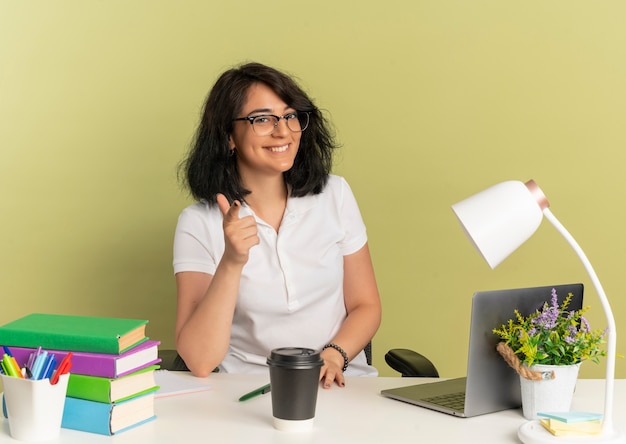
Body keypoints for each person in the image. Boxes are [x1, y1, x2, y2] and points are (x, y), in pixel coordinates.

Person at [173, 62, 381, 389]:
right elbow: (199, 360)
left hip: (342, 385)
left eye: (290, 115)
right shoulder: (198, 222)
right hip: (249, 393)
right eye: (262, 119)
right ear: (229, 136)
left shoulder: (334, 194)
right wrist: (232, 262)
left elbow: (365, 305)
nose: (282, 131)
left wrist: (333, 355)